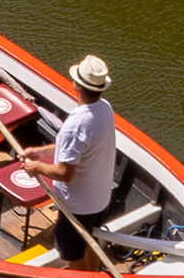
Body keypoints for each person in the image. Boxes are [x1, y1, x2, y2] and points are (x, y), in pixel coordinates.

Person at [9, 55, 121, 266]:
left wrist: (37, 167)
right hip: (99, 199)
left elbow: (65, 174)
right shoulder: (105, 108)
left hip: (77, 207)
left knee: (74, 256)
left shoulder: (76, 125)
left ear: (76, 85)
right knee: (90, 242)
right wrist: (40, 152)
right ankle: (94, 277)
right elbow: (81, 149)